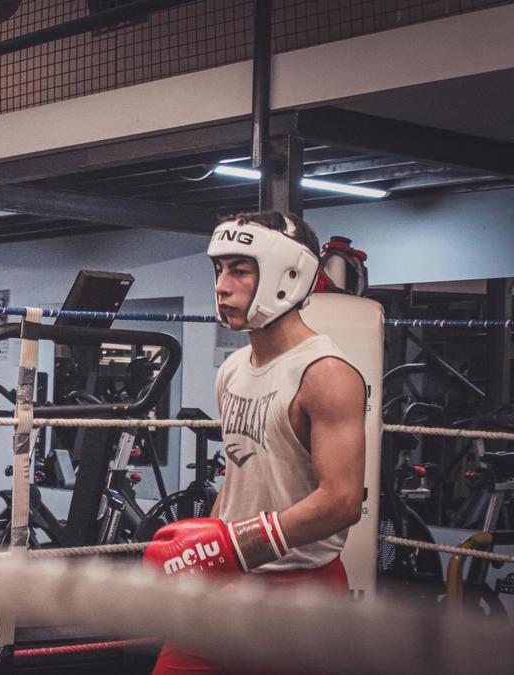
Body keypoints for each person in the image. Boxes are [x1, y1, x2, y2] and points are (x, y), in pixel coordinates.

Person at [144, 211, 366, 675]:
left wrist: (232, 544)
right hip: (230, 580)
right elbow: (240, 467)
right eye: (218, 270)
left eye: (240, 270)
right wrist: (209, 545)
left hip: (300, 589)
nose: (222, 286)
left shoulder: (325, 373)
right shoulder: (233, 369)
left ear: (288, 274)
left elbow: (342, 500)